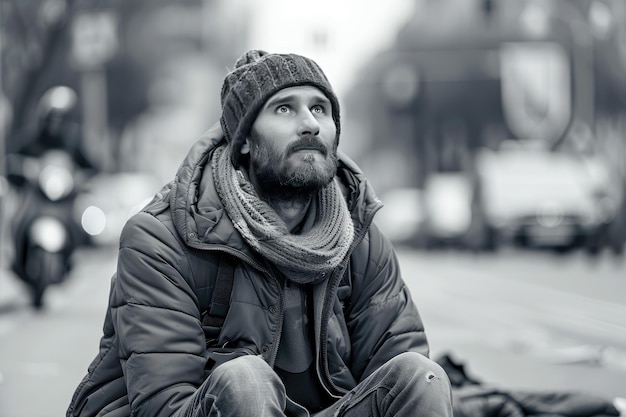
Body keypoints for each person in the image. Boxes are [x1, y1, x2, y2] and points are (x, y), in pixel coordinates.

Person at [67, 49, 453, 417]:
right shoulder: (161, 239)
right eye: (284, 108)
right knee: (245, 380)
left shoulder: (358, 237)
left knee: (420, 376)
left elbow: (391, 368)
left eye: (320, 108)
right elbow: (164, 406)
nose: (310, 123)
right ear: (245, 140)